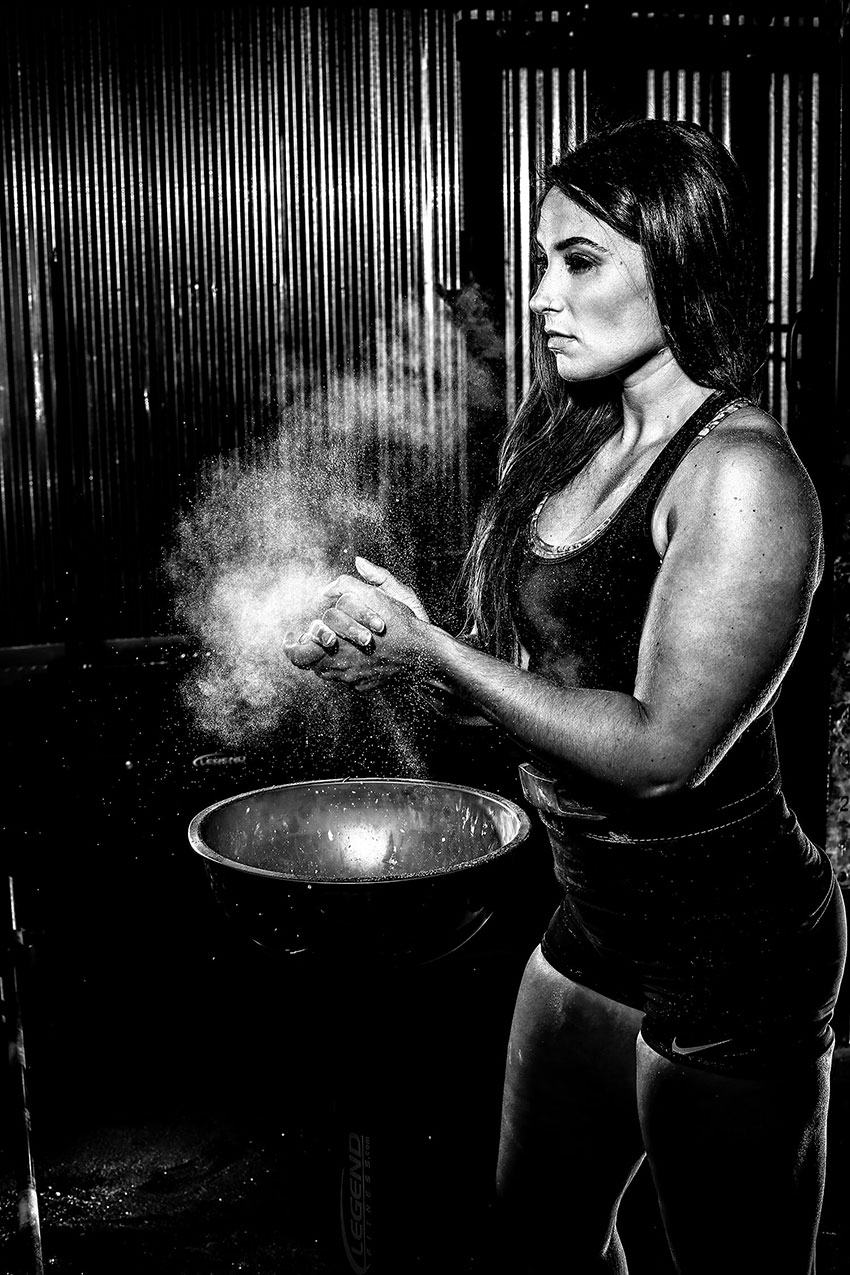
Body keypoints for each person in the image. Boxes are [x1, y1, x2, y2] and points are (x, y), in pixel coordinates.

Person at [283, 117, 846, 1274]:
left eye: (579, 261)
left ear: (679, 260)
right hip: (596, 919)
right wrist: (395, 653)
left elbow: (659, 750)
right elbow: (530, 695)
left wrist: (436, 654)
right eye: (541, 260)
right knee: (536, 1238)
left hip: (732, 954)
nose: (543, 295)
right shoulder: (570, 439)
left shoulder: (739, 474)